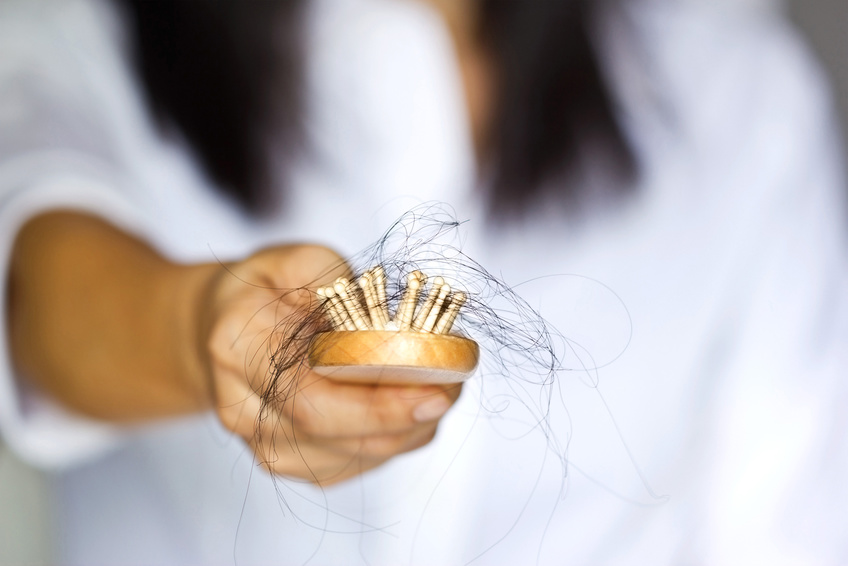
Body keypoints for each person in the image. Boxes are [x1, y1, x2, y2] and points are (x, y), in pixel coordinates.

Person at [2, 0, 847, 564]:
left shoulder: (737, 85)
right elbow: (36, 284)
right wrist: (198, 330)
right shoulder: (80, 28)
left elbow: (788, 527)